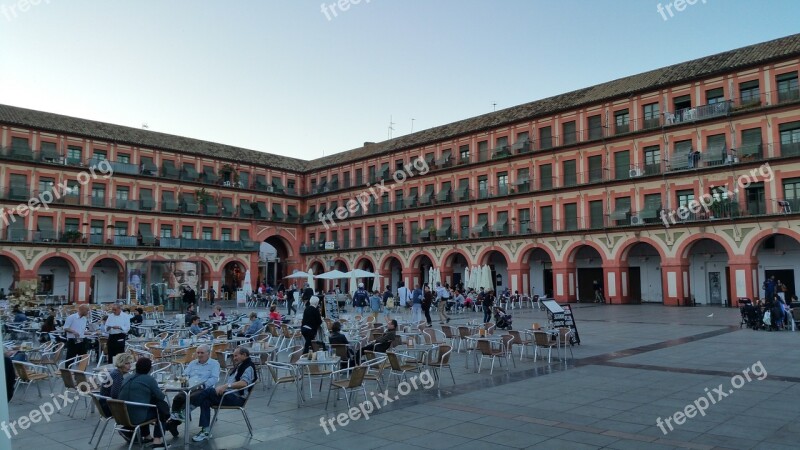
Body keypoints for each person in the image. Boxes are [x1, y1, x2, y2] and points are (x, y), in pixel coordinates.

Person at [189, 346, 257, 442]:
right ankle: (205, 431)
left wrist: (226, 386)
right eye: (233, 356)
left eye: (236, 356)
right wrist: (224, 387)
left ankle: (189, 408)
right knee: (205, 400)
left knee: (208, 391)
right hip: (229, 394)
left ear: (244, 355)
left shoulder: (248, 366)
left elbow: (244, 383)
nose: (234, 358)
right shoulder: (241, 364)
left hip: (237, 398)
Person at [118, 358, 170, 449]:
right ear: (149, 369)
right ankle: (157, 442)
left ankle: (147, 436)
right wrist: (163, 391)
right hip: (136, 418)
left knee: (145, 406)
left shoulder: (127, 377)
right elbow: (161, 397)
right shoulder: (149, 379)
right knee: (162, 409)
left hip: (121, 416)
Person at [167, 345, 220, 433]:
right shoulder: (193, 363)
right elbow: (185, 374)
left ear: (208, 353)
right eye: (198, 352)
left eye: (202, 353)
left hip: (205, 388)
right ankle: (174, 422)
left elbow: (214, 378)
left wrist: (202, 385)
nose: (199, 355)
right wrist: (185, 379)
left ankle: (181, 415)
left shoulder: (214, 364)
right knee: (178, 398)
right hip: (190, 387)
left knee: (192, 397)